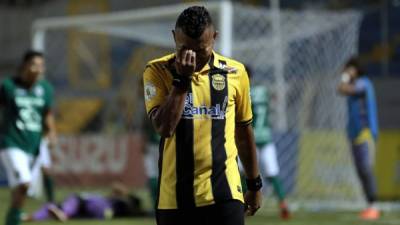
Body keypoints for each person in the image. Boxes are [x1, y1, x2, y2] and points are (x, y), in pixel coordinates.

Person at [143, 6, 262, 225]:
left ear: (214, 38)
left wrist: (254, 184)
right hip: (174, 199)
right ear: (173, 37)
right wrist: (181, 81)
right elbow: (164, 128)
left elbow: (243, 132)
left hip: (225, 193)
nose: (193, 58)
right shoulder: (157, 71)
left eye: (201, 50)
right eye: (184, 49)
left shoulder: (235, 73)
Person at [0, 50, 57, 225]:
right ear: (25, 66)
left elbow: (47, 114)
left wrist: (52, 132)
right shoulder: (9, 86)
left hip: (33, 145)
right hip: (12, 143)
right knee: (24, 183)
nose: (38, 69)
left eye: (41, 65)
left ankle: (13, 219)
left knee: (22, 190)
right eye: (35, 65)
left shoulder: (45, 89)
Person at [244, 66, 290, 219]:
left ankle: (242, 204)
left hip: (250, 139)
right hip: (266, 137)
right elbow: (272, 99)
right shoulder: (262, 91)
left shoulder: (244, 92)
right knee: (272, 172)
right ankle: (283, 203)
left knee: (243, 171)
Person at [337, 57, 379, 220]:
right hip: (354, 134)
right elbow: (341, 90)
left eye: (349, 69)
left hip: (365, 133)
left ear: (356, 69)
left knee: (366, 169)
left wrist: (344, 79)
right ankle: (369, 205)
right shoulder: (354, 84)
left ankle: (374, 206)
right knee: (360, 171)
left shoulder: (364, 83)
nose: (347, 72)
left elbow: (345, 89)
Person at [22, 183, 147, 222]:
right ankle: (30, 217)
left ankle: (63, 214)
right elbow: (117, 188)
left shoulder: (120, 202)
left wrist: (123, 193)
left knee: (74, 200)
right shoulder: (118, 204)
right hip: (96, 211)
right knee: (53, 207)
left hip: (90, 204)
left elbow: (117, 187)